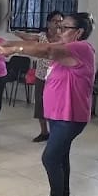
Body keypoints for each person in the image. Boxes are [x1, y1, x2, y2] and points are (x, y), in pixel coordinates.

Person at [0, 13, 96, 196]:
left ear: (79, 32)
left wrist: (14, 48)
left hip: (70, 116)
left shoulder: (81, 47)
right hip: (59, 115)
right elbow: (40, 46)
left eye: (65, 27)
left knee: (50, 157)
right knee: (61, 157)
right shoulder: (65, 50)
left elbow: (46, 49)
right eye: (59, 27)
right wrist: (10, 45)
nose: (59, 31)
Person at [14, 10, 63, 142]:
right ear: (48, 23)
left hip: (58, 79)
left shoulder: (64, 39)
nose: (58, 24)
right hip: (41, 76)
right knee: (40, 104)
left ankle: (55, 134)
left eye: (60, 21)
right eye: (55, 21)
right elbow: (27, 37)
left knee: (56, 106)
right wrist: (15, 31)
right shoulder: (41, 37)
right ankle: (44, 132)